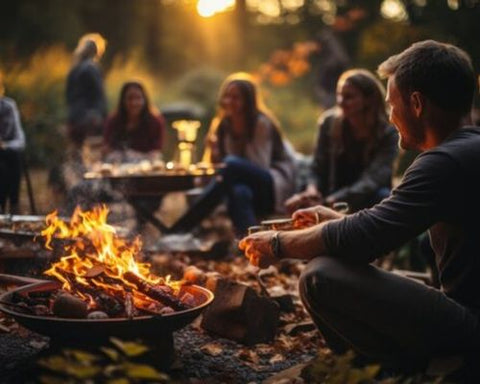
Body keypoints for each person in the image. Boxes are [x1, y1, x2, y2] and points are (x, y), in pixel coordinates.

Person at [240, 40, 480, 373]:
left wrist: (277, 244)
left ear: (417, 104)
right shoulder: (467, 152)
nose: (391, 116)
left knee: (319, 277)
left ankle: (386, 373)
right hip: (463, 311)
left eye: (391, 104)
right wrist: (338, 220)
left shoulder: (444, 162)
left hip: (470, 329)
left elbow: (368, 238)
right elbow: (381, 230)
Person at [171, 72, 295, 236]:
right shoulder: (223, 125)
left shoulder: (261, 123)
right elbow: (219, 168)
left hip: (272, 186)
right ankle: (251, 242)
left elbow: (259, 165)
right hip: (245, 187)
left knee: (231, 164)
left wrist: (228, 164)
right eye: (226, 96)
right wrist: (215, 154)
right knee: (239, 192)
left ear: (247, 101)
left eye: (235, 97)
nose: (228, 101)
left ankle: (181, 229)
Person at [285, 69, 398, 214]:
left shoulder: (388, 131)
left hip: (365, 196)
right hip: (330, 192)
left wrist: (333, 200)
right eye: (339, 95)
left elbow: (373, 180)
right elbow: (317, 165)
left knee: (383, 196)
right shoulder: (329, 122)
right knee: (299, 198)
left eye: (348, 97)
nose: (340, 101)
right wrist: (312, 190)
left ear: (368, 99)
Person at [103, 81, 166, 232]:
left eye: (138, 98)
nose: (134, 103)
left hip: (144, 177)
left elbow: (155, 153)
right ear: (123, 101)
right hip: (118, 176)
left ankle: (138, 228)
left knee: (156, 191)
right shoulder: (113, 121)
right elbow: (106, 151)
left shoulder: (155, 122)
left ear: (144, 100)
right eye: (130, 98)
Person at [66, 33, 107, 150]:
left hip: (74, 114)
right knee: (92, 150)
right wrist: (103, 115)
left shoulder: (75, 68)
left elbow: (69, 95)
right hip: (90, 116)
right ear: (97, 51)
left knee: (77, 150)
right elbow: (98, 93)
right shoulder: (92, 68)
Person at [0, 76, 26, 214]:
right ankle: (3, 206)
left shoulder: (9, 106)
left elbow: (20, 140)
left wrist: (5, 146)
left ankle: (13, 205)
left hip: (7, 151)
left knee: (12, 156)